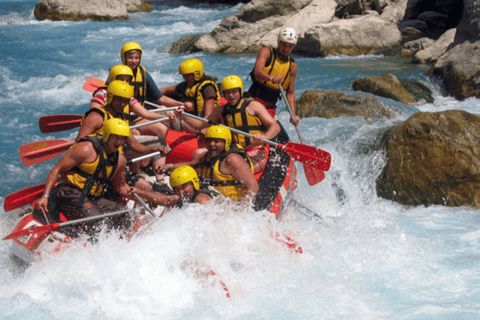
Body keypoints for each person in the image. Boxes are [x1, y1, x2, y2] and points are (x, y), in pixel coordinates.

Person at [33, 118, 180, 236]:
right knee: (97, 222)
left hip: (93, 198)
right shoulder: (85, 149)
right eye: (115, 137)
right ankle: (80, 237)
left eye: (122, 139)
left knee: (124, 216)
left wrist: (146, 196)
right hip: (69, 192)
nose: (119, 142)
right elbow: (57, 170)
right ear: (107, 135)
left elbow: (121, 187)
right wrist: (45, 195)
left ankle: (123, 244)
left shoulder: (119, 160)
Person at [173, 75, 281, 173]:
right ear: (224, 93)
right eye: (227, 92)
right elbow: (201, 125)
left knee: (236, 167)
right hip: (234, 150)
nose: (231, 95)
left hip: (255, 149)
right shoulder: (221, 110)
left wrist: (264, 137)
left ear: (240, 91)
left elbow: (275, 126)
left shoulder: (253, 106)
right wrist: (183, 116)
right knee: (198, 154)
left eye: (234, 91)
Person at [79, 80, 170, 185]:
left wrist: (155, 149)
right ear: (110, 98)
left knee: (147, 187)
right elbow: (79, 144)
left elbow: (134, 145)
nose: (123, 104)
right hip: (96, 166)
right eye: (119, 100)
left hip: (115, 165)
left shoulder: (120, 119)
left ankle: (158, 182)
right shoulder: (96, 116)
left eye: (126, 101)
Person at [161, 126, 258, 202]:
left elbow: (253, 186)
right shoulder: (206, 156)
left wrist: (242, 209)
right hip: (216, 201)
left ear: (226, 142)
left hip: (233, 204)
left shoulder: (232, 159)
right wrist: (169, 166)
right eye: (208, 140)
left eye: (216, 141)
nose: (211, 144)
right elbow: (191, 164)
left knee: (201, 200)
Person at [90, 64, 170, 139]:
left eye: (127, 80)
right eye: (121, 79)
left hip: (123, 127)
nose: (124, 82)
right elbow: (93, 113)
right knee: (135, 133)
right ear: (113, 79)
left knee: (153, 129)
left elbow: (146, 113)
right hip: (107, 132)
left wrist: (166, 117)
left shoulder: (128, 97)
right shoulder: (102, 93)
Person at [246, 27, 300, 126]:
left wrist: (293, 114)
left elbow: (290, 93)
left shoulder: (293, 66)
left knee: (273, 131)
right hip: (254, 100)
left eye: (290, 46)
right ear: (278, 42)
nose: (286, 49)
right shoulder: (266, 52)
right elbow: (258, 72)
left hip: (270, 106)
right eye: (284, 44)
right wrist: (271, 78)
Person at [119, 42, 192, 112]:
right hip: (121, 114)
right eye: (130, 58)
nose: (134, 61)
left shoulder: (144, 76)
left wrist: (182, 104)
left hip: (139, 113)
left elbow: (161, 98)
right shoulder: (116, 74)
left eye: (136, 58)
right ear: (124, 58)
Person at [160, 58, 221, 134]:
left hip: (199, 125)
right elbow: (165, 90)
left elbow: (208, 118)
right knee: (161, 109)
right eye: (184, 75)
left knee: (162, 110)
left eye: (188, 75)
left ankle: (162, 131)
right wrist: (149, 90)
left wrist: (201, 128)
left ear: (197, 73)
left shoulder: (208, 89)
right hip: (187, 119)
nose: (185, 78)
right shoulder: (186, 85)